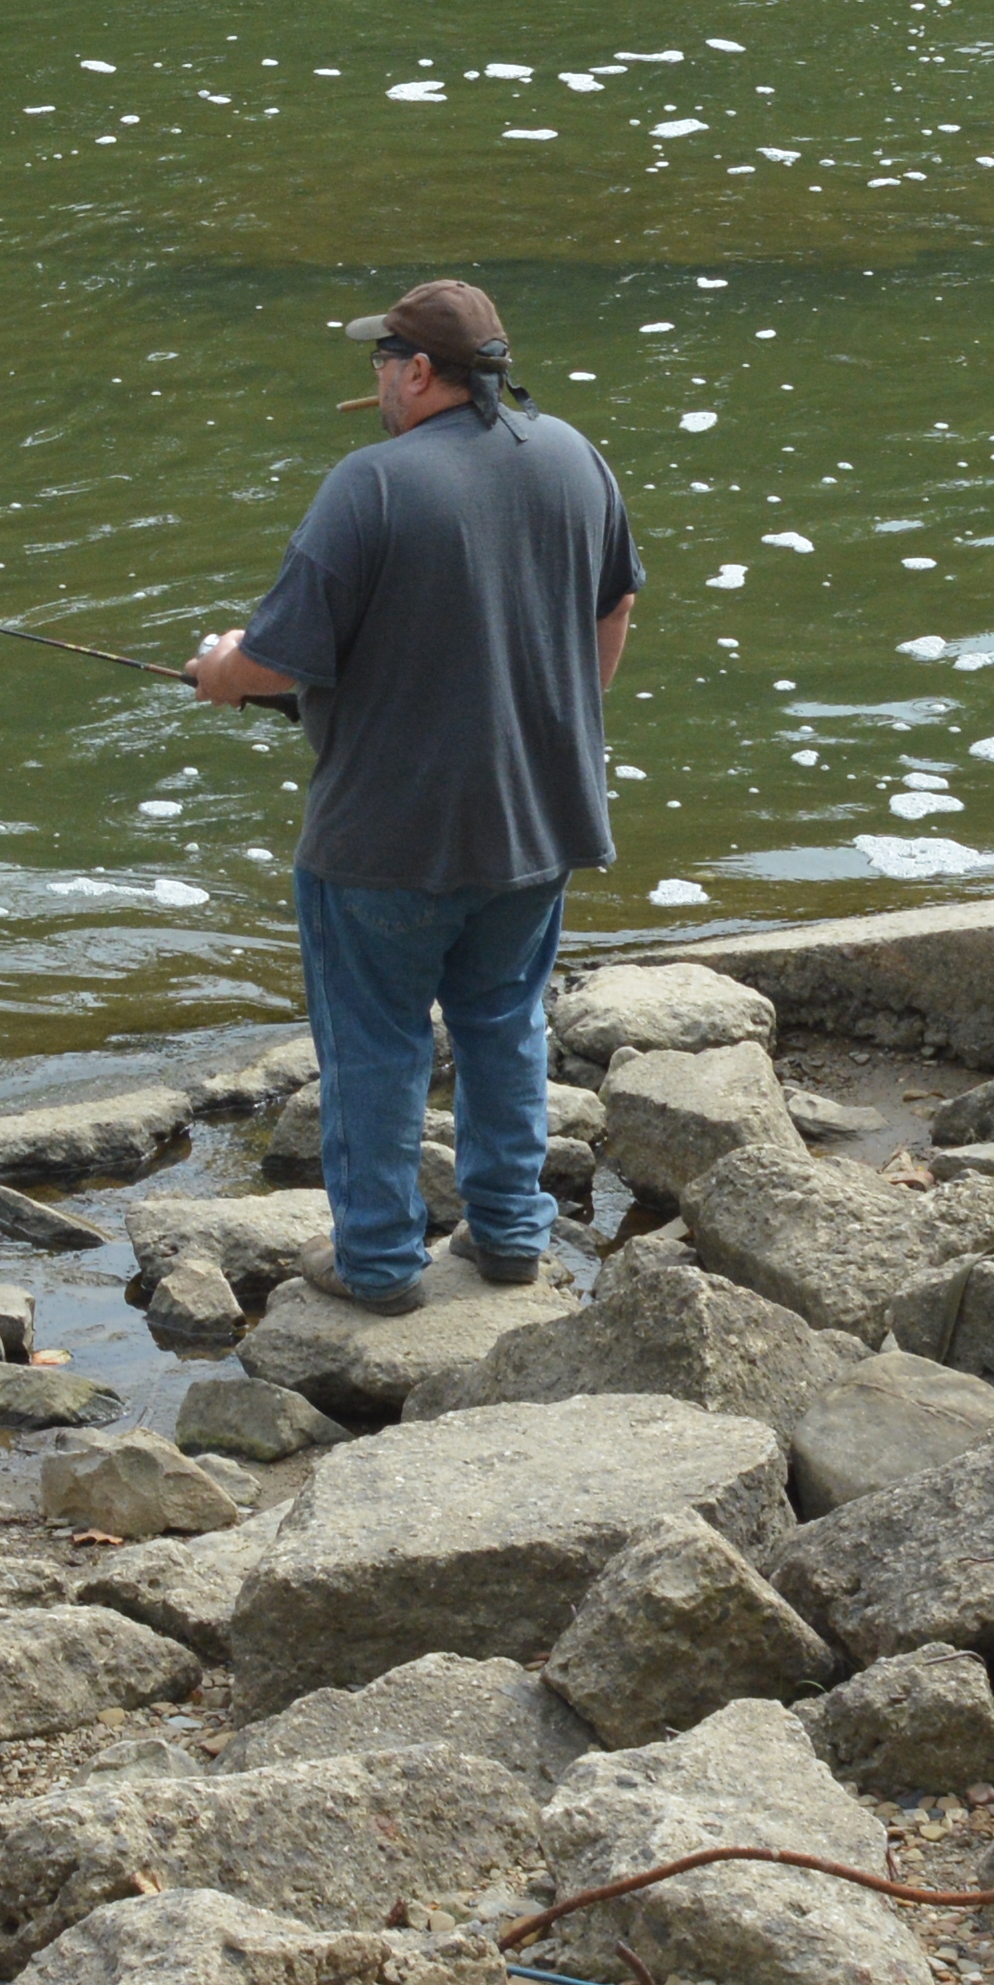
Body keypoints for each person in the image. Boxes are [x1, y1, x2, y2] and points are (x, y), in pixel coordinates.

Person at [189, 278, 640, 1314]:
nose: (376, 380)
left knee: (377, 1046)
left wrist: (217, 667)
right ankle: (513, 1233)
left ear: (421, 370)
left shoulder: (369, 484)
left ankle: (381, 1263)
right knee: (505, 1023)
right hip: (538, 824)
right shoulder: (574, 455)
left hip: (381, 846)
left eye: (382, 361)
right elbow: (613, 608)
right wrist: (556, 721)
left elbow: (275, 658)